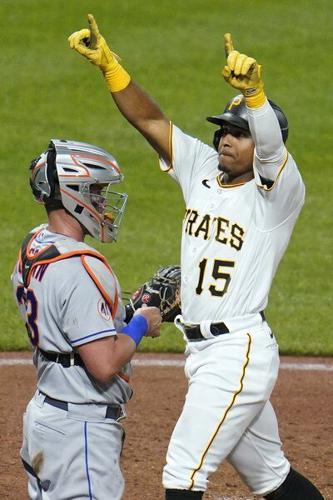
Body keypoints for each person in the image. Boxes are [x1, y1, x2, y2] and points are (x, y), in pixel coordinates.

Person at [68, 16, 324, 500]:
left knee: (183, 472)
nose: (227, 138)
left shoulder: (279, 195)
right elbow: (150, 121)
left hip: (238, 353)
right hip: (201, 352)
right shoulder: (203, 171)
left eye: (240, 132)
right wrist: (111, 68)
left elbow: (271, 147)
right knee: (271, 477)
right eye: (225, 129)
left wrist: (256, 98)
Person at [11, 138, 162, 499]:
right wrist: (140, 323)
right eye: (95, 191)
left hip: (46, 414)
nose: (102, 202)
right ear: (72, 193)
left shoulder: (34, 245)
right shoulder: (81, 266)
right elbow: (104, 364)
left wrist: (125, 310)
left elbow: (63, 315)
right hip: (79, 431)